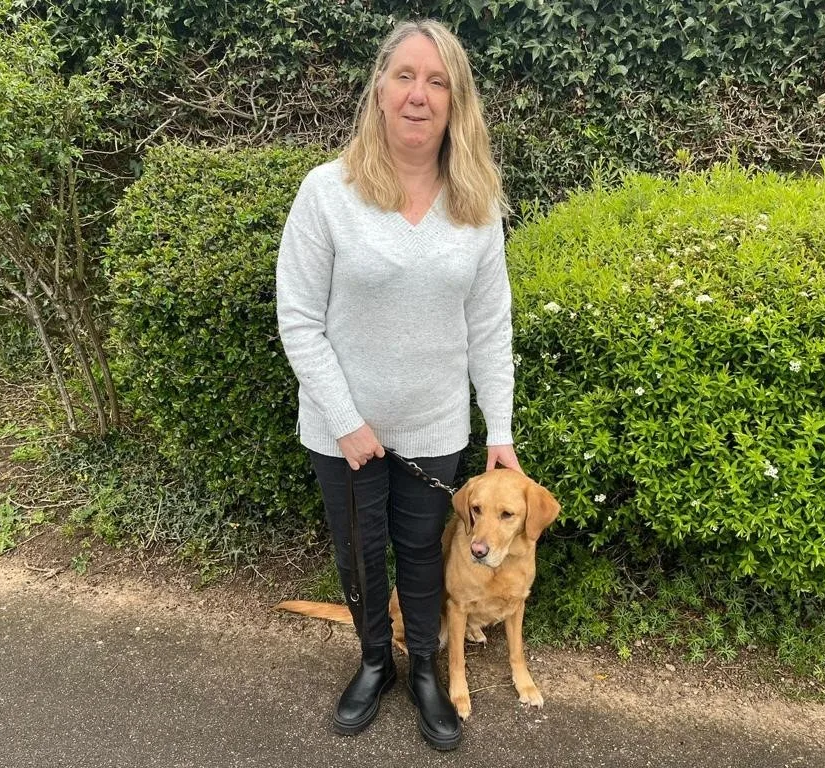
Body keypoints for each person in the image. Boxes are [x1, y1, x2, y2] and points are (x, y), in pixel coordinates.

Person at [276, 19, 519, 751]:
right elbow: (297, 316)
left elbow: (490, 328)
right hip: (341, 430)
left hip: (435, 429)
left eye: (437, 80)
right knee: (357, 552)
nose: (420, 94)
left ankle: (423, 672)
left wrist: (498, 432)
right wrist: (347, 422)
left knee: (420, 553)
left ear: (456, 101)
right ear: (380, 89)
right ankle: (375, 661)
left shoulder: (475, 204)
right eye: (405, 76)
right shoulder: (329, 192)